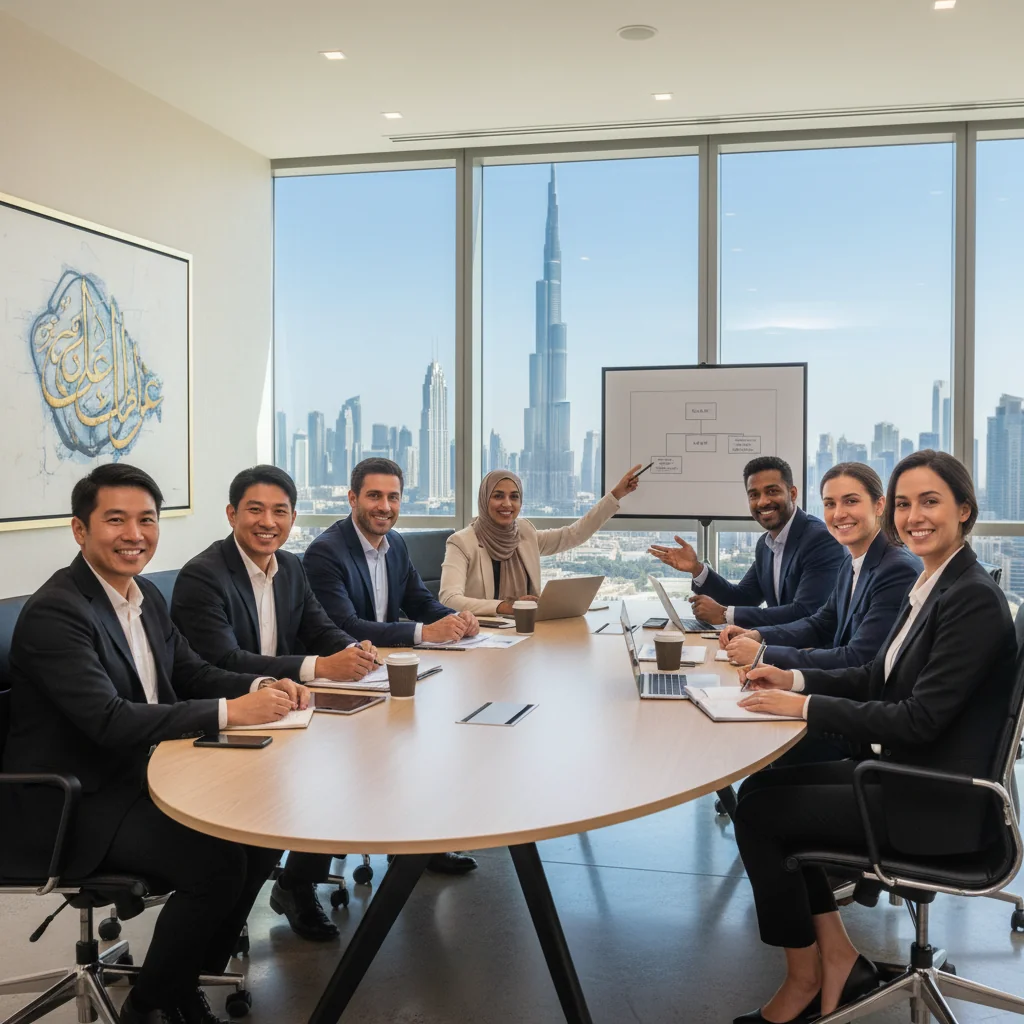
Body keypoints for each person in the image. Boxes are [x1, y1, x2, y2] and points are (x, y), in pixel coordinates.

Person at [1, 463, 311, 1024]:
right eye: (115, 520)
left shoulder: (142, 594)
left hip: (143, 775)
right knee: (216, 864)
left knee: (260, 838)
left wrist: (263, 687)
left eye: (146, 520)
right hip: (75, 800)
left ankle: (181, 979)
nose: (134, 534)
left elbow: (191, 671)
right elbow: (110, 721)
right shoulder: (58, 612)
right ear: (79, 530)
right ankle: (147, 1005)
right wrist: (229, 712)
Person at [728, 450, 1016, 1023]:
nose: (913, 516)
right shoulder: (937, 581)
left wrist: (806, 706)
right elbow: (872, 675)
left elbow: (916, 719)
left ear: (964, 509)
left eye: (929, 501)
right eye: (905, 503)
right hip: (913, 776)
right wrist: (791, 678)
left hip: (936, 801)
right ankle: (837, 958)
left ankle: (805, 978)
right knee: (759, 792)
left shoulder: (970, 598)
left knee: (762, 816)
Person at [172, 464, 376, 942]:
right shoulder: (203, 576)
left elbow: (320, 627)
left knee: (345, 765)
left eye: (279, 512)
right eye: (255, 510)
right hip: (220, 721)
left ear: (292, 517)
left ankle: (295, 884)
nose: (268, 522)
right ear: (231, 514)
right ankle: (234, 919)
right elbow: (222, 658)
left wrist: (355, 650)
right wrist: (319, 667)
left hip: (281, 709)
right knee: (319, 779)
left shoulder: (291, 567)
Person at [303, 456, 480, 875]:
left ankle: (421, 845)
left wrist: (455, 621)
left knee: (426, 746)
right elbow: (344, 626)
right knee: (344, 780)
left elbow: (420, 601)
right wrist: (424, 634)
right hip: (343, 684)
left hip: (387, 672)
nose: (385, 506)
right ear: (353, 499)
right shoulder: (325, 552)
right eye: (375, 496)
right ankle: (297, 884)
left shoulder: (395, 544)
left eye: (393, 497)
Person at [719, 462, 921, 671]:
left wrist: (763, 654)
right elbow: (821, 624)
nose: (838, 514)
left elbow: (858, 658)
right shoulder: (851, 563)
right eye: (830, 504)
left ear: (879, 505)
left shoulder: (897, 570)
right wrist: (758, 635)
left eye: (851, 501)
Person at [649, 456, 845, 628]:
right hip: (780, 645)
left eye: (772, 491)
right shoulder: (765, 545)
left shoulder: (821, 540)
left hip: (810, 656)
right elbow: (743, 598)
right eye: (754, 495)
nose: (762, 502)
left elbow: (806, 612)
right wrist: (697, 569)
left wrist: (724, 614)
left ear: (792, 494)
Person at [439, 465, 641, 615]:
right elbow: (449, 599)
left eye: (514, 497)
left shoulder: (524, 533)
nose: (507, 504)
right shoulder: (461, 542)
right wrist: (506, 607)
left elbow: (572, 535)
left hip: (527, 630)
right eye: (498, 496)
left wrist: (616, 495)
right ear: (484, 499)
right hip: (483, 634)